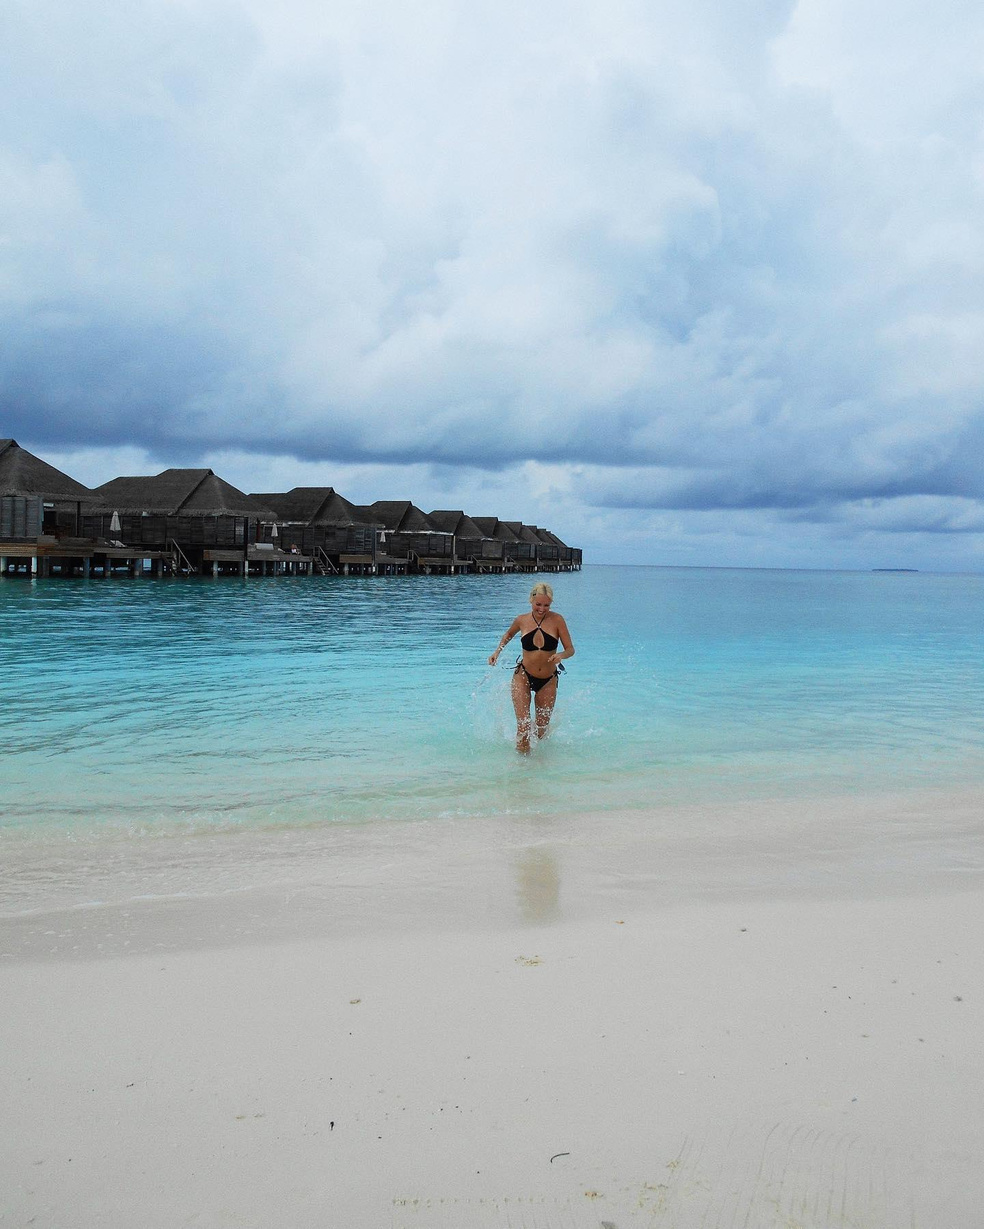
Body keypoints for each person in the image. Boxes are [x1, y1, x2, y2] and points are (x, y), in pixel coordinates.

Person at [488, 582, 575, 754]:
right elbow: (508, 634)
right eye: (538, 604)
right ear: (531, 600)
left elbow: (570, 649)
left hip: (548, 680)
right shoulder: (522, 620)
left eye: (546, 605)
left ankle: (539, 766)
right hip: (523, 676)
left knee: (541, 731)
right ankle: (522, 765)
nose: (542, 609)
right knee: (523, 726)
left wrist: (561, 655)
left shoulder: (557, 620)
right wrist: (497, 652)